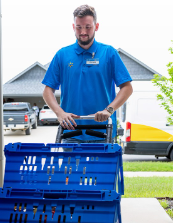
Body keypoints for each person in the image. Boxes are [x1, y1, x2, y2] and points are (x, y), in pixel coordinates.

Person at [42, 4, 133, 143]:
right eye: (79, 27)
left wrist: (109, 110)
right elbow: (48, 90)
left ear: (96, 27)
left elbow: (127, 87)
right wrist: (59, 113)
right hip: (70, 133)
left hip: (103, 133)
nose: (83, 31)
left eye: (88, 27)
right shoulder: (62, 55)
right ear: (73, 27)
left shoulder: (109, 53)